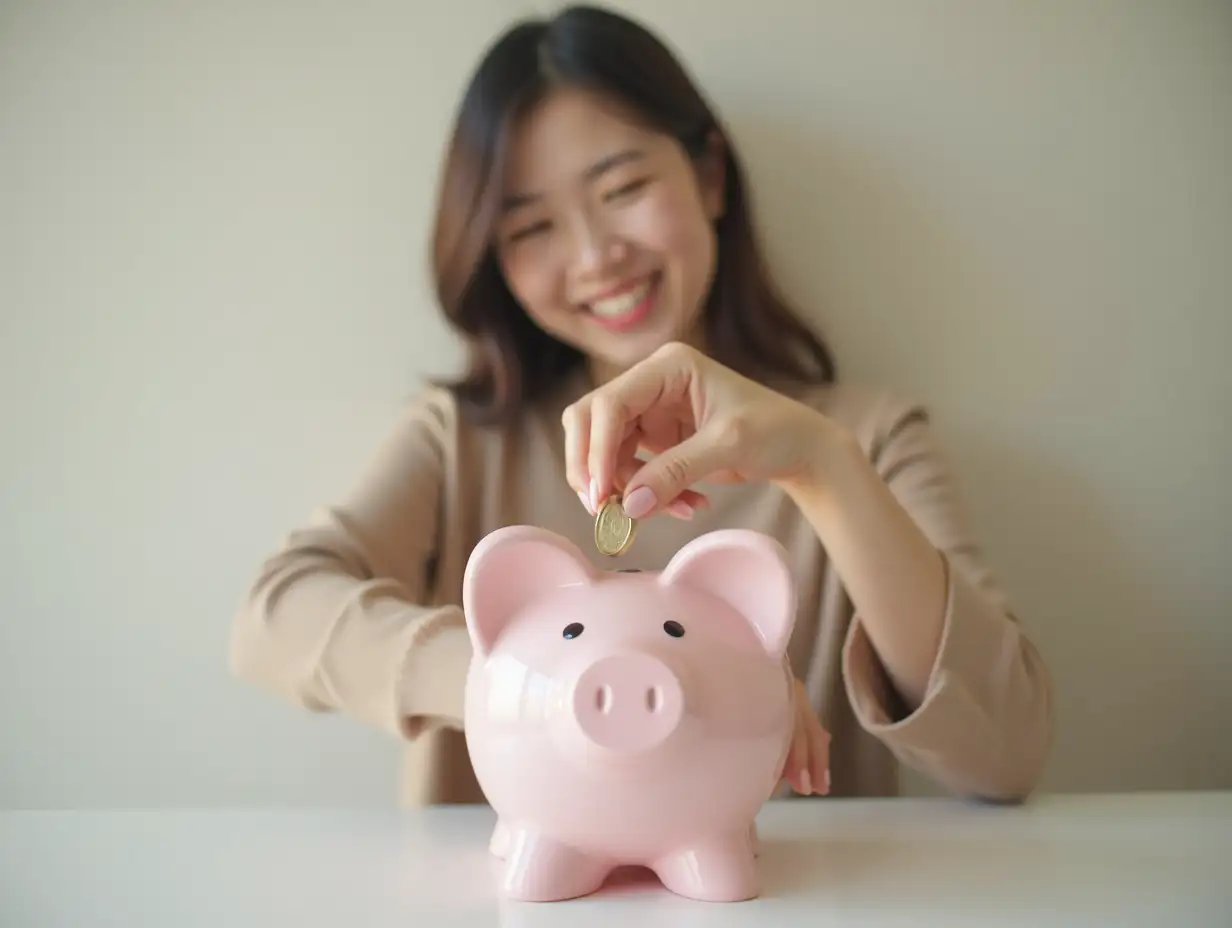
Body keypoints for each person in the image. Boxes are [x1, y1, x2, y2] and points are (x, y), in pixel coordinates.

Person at [229, 4, 1053, 806]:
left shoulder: (867, 440)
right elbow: (273, 617)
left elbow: (1006, 751)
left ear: (710, 176)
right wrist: (533, 677)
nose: (595, 256)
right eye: (531, 229)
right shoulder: (462, 439)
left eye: (621, 188)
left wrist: (821, 466)